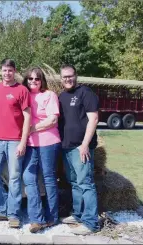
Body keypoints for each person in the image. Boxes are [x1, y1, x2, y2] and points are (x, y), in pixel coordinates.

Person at [0, 59, 31, 228]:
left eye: (10, 70)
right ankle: (3, 206)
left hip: (15, 141)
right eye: (4, 70)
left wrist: (23, 142)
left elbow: (27, 117)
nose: (7, 73)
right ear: (1, 71)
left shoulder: (21, 90)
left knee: (14, 178)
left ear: (14, 71)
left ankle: (13, 215)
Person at [58, 64, 100, 235]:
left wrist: (84, 144)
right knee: (75, 183)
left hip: (81, 147)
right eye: (64, 77)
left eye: (70, 76)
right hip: (67, 147)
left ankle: (91, 223)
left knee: (86, 183)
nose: (68, 79)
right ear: (61, 79)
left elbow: (94, 119)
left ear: (76, 76)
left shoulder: (86, 93)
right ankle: (78, 214)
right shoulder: (61, 96)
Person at [21, 67, 61, 233]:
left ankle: (52, 217)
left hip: (48, 142)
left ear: (42, 80)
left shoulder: (49, 95)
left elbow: (52, 120)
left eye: (37, 79)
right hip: (30, 143)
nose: (33, 81)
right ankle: (37, 218)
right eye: (30, 78)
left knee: (48, 178)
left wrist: (31, 128)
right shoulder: (25, 94)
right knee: (28, 176)